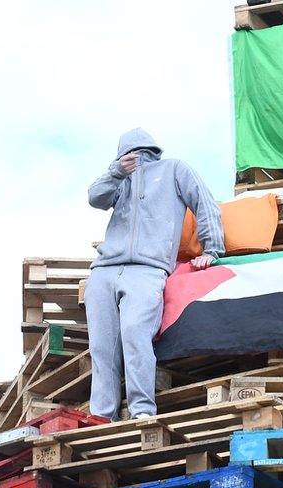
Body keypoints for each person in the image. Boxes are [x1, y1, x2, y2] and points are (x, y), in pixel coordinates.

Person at [86, 127, 224, 421]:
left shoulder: (173, 169)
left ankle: (142, 413)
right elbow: (94, 198)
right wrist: (116, 172)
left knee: (136, 335)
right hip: (104, 270)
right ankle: (101, 417)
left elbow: (204, 202)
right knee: (101, 348)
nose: (134, 157)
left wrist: (212, 249)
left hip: (148, 270)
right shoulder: (119, 179)